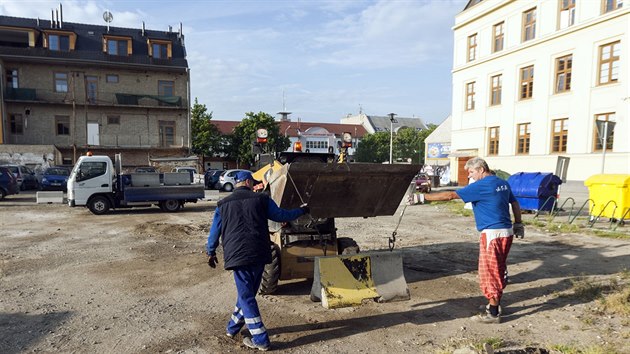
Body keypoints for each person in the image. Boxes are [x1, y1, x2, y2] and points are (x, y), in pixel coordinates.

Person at [206, 171, 309, 351]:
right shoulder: (261, 199)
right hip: (259, 253)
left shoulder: (222, 204)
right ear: (247, 181)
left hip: (237, 256)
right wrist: (302, 210)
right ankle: (253, 335)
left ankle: (251, 336)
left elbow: (215, 230)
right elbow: (281, 216)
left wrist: (211, 251)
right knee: (247, 295)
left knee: (246, 295)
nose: (254, 185)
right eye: (253, 182)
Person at [425, 157, 524, 323]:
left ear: (481, 169)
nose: (470, 177)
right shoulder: (503, 183)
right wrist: (519, 224)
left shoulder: (481, 185)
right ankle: (494, 304)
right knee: (498, 268)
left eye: (471, 172)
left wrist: (423, 198)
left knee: (489, 272)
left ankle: (493, 313)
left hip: (492, 234)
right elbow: (514, 203)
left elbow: (450, 195)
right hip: (507, 232)